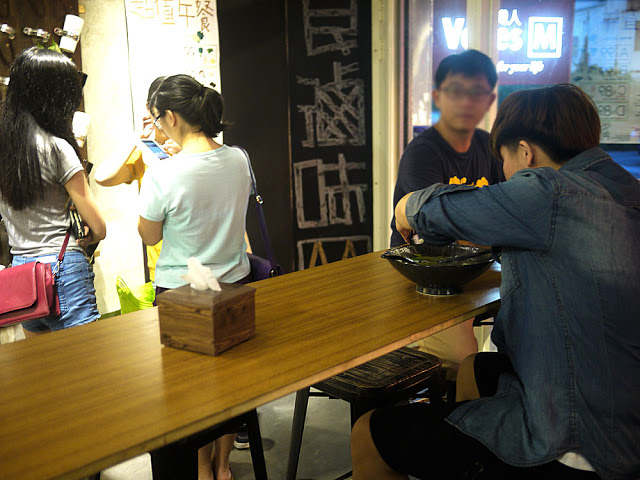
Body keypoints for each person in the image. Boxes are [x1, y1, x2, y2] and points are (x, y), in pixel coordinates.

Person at [351, 84, 640, 479]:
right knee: (474, 368)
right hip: (625, 419)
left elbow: (430, 210)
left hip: (578, 440)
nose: (504, 172)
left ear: (525, 152)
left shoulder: (549, 193)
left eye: (503, 160)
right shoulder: (622, 188)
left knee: (369, 433)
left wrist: (405, 206)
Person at [138, 74, 252, 480]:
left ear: (171, 117)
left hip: (182, 295)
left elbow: (149, 235)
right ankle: (222, 467)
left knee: (188, 391)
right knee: (230, 383)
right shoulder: (240, 158)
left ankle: (200, 469)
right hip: (234, 286)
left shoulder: (163, 173)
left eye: (157, 119)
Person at [391, 49, 504, 377]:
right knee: (462, 357)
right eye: (456, 91)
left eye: (477, 92)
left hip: (476, 274)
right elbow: (436, 234)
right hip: (426, 280)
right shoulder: (422, 153)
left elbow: (508, 211)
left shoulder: (488, 146)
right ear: (438, 96)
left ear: (489, 100)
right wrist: (491, 229)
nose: (466, 102)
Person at [0, 47, 106, 337]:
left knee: (41, 362)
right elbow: (99, 227)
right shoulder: (58, 148)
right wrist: (90, 235)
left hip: (22, 273)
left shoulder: (5, 151)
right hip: (62, 270)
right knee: (85, 358)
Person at [94, 76, 180, 282]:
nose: (165, 118)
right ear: (149, 108)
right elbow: (102, 177)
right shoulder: (145, 154)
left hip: (202, 263)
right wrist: (137, 138)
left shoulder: (192, 147)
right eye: (159, 110)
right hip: (163, 266)